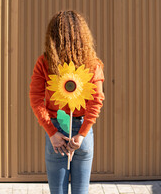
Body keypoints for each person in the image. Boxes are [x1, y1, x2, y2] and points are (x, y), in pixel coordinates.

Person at [29, 10, 105, 194]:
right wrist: (82, 134)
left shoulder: (44, 62)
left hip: (56, 134)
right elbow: (97, 101)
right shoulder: (92, 64)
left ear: (53, 36)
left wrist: (52, 132)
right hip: (82, 134)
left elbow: (36, 98)